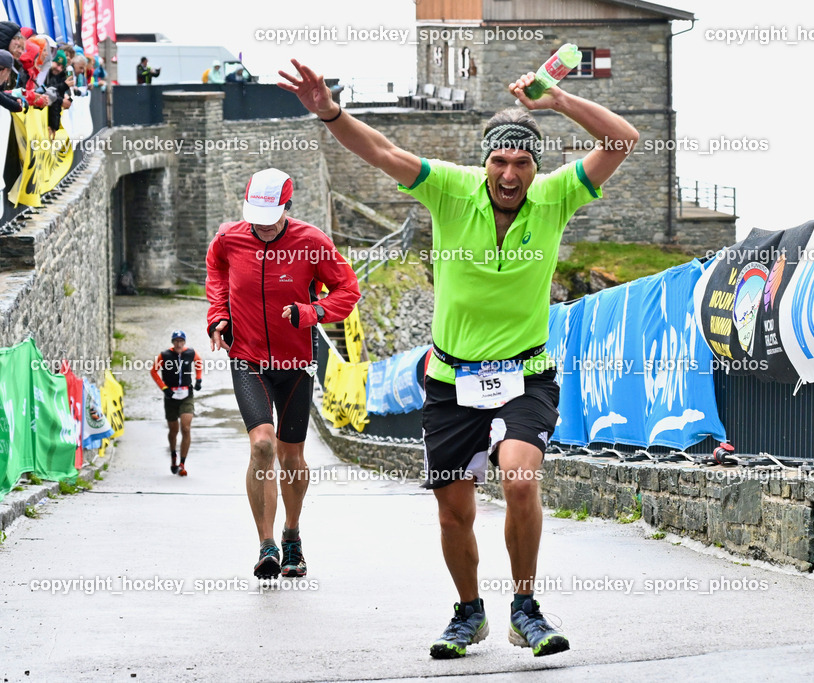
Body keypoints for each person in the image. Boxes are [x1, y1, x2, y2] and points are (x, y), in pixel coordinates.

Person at [279, 59, 637, 658]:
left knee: (520, 478)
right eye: (499, 161)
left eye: (522, 162)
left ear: (536, 168)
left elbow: (622, 140)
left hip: (525, 374)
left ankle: (525, 609)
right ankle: (469, 613)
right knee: (453, 513)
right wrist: (331, 113)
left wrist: (559, 101)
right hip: (450, 378)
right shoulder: (449, 189)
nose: (509, 173)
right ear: (484, 162)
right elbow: (382, 151)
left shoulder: (555, 197)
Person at [206, 168, 360, 579]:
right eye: (255, 216)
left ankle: (292, 534)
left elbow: (348, 291)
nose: (261, 225)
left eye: (270, 217)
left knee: (291, 455)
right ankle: (267, 545)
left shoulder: (312, 242)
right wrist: (218, 315)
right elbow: (216, 271)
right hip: (248, 358)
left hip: (295, 363)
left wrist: (312, 312)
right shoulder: (229, 238)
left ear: (287, 207)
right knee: (262, 445)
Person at [150, 331, 203, 476]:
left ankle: (182, 463)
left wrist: (198, 379)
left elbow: (198, 362)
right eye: (176, 341)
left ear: (184, 342)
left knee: (186, 428)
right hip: (171, 397)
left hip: (187, 395)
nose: (179, 344)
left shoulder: (190, 353)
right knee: (174, 430)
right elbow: (154, 371)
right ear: (172, 342)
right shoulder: (164, 355)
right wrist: (164, 388)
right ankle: (173, 455)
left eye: (181, 341)